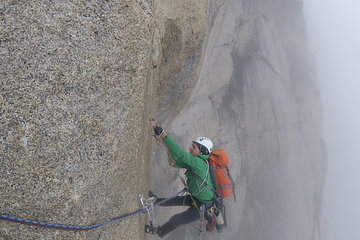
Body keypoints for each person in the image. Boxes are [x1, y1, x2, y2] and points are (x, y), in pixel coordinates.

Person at [145, 125, 215, 237]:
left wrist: (164, 135)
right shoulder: (198, 162)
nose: (190, 148)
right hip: (198, 198)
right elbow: (176, 162)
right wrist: (166, 146)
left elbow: (181, 155)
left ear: (201, 152)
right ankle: (155, 202)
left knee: (177, 220)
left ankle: (159, 232)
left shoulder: (199, 164)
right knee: (176, 200)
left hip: (203, 206)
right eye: (192, 146)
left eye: (194, 147)